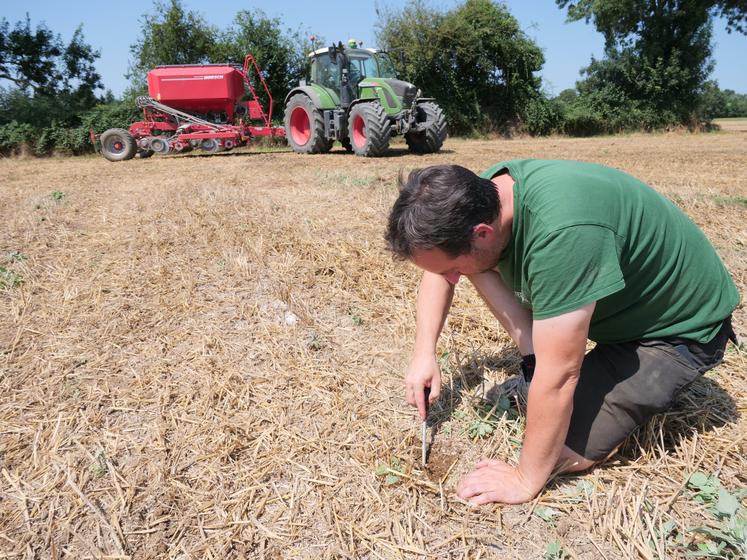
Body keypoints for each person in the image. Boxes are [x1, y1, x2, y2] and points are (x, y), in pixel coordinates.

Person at [384, 160, 739, 505]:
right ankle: (534, 358)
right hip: (614, 306)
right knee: (477, 266)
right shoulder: (486, 194)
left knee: (560, 447)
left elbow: (561, 376)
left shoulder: (563, 235)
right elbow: (439, 268)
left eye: (452, 270)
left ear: (482, 233)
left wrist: (525, 478)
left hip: (673, 330)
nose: (450, 280)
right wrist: (424, 354)